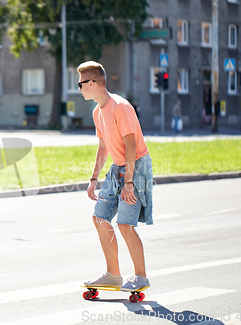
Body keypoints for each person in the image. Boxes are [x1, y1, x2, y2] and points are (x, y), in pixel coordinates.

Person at [78, 61, 153, 292]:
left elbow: (131, 146)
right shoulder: (96, 112)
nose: (79, 89)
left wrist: (129, 182)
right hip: (117, 167)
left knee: (125, 225)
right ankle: (113, 275)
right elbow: (103, 148)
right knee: (99, 218)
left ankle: (141, 276)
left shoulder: (121, 106)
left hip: (135, 167)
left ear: (92, 83)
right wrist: (93, 179)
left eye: (81, 84)